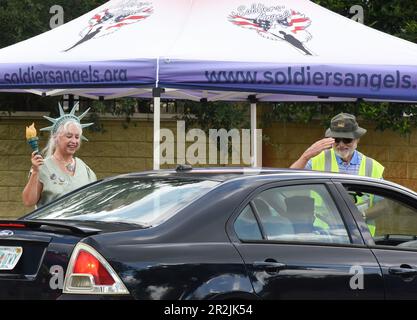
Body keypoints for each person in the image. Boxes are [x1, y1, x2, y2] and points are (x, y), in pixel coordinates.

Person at [290, 112, 385, 236]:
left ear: (357, 139)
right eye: (336, 140)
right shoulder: (317, 159)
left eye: (347, 140)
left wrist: (359, 216)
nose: (341, 145)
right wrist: (306, 156)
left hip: (360, 237)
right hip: (324, 235)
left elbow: (383, 205)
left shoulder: (372, 167)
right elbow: (291, 177)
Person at [22, 104, 97, 208]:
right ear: (56, 137)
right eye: (69, 136)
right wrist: (35, 172)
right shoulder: (42, 167)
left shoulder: (84, 168)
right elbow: (28, 202)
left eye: (77, 137)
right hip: (51, 224)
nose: (74, 141)